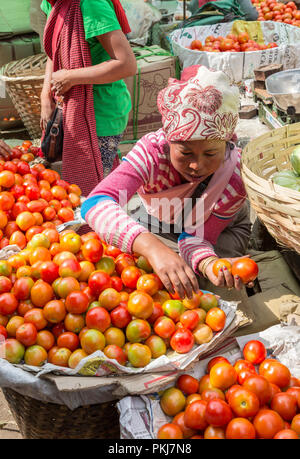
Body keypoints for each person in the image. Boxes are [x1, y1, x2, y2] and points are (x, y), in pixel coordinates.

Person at [81, 65, 253, 299]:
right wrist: (152, 247)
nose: (196, 166)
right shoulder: (151, 152)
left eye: (211, 154)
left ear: (225, 144)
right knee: (152, 268)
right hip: (161, 219)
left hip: (221, 227)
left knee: (206, 285)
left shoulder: (233, 176)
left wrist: (208, 264)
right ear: (169, 141)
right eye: (185, 153)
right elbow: (95, 204)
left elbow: (197, 238)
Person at [40, 0, 137, 196]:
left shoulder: (91, 4)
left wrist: (70, 77)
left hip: (100, 114)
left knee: (95, 193)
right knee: (86, 186)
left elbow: (127, 64)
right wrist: (45, 95)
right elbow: (54, 48)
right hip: (71, 108)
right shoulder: (53, 2)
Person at [189, 0, 259, 20]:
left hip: (207, 41)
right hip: (232, 36)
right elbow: (251, 15)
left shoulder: (193, 3)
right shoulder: (194, 3)